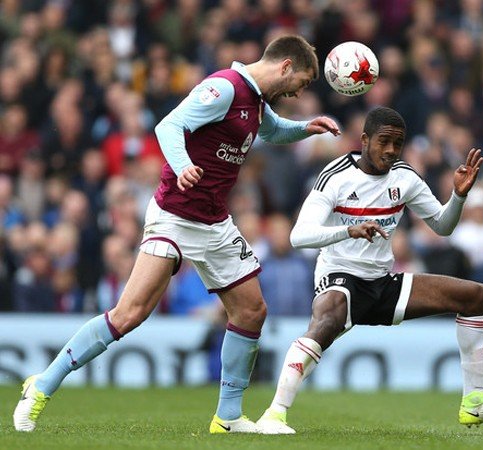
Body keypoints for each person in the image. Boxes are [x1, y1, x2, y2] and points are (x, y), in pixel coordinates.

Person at [13, 35, 340, 434]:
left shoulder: (256, 102)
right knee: (129, 314)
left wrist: (308, 128)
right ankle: (42, 385)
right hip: (175, 215)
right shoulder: (224, 88)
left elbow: (272, 132)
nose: (299, 90)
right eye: (302, 81)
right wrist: (183, 164)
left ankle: (229, 417)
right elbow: (170, 124)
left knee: (251, 311)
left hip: (215, 221)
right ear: (285, 66)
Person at [255, 107, 483, 434]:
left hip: (383, 282)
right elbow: (298, 236)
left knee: (475, 296)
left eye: (397, 144)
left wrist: (457, 196)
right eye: (383, 141)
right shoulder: (336, 175)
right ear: (365, 140)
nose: (390, 150)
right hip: (340, 276)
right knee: (327, 319)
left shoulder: (405, 177)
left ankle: (475, 402)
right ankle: (273, 415)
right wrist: (348, 230)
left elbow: (442, 227)